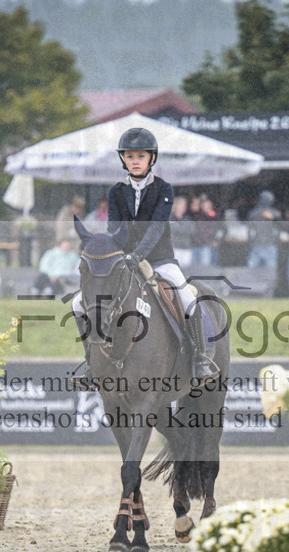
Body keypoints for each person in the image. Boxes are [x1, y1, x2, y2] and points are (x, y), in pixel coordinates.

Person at [70, 126, 218, 384]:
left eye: (140, 156)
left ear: (151, 159)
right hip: (124, 260)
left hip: (160, 260)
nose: (135, 161)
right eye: (129, 156)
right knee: (76, 303)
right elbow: (114, 227)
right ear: (123, 160)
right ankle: (91, 362)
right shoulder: (116, 192)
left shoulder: (164, 189)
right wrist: (114, 251)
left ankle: (200, 358)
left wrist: (138, 254)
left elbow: (157, 226)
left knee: (188, 299)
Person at [246, 190, 282, 269]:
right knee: (271, 270)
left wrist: (251, 242)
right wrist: (276, 241)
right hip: (270, 244)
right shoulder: (275, 213)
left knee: (251, 270)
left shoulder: (253, 213)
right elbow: (279, 228)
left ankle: (251, 281)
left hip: (257, 244)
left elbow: (250, 231)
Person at [170, 196, 195, 266]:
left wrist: (179, 228)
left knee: (187, 270)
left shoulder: (187, 219)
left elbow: (192, 230)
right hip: (175, 249)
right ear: (175, 206)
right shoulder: (170, 219)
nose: (183, 207)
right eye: (181, 205)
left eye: (184, 205)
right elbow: (170, 231)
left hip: (186, 248)